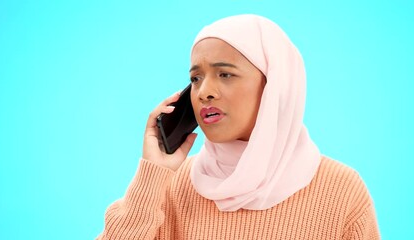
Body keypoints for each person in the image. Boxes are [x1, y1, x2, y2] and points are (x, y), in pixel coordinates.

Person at [96, 14, 380, 239]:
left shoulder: (341, 189)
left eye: (225, 74)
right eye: (196, 78)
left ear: (274, 86)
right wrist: (152, 177)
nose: (204, 92)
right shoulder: (171, 185)